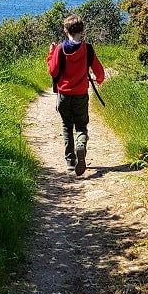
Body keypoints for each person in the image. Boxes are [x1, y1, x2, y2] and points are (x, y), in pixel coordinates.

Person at [47, 14, 105, 175]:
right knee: (81, 126)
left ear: (66, 30)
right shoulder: (87, 49)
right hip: (80, 94)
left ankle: (70, 161)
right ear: (82, 30)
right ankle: (81, 146)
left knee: (67, 126)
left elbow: (53, 71)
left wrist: (51, 54)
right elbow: (99, 71)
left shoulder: (60, 49)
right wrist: (99, 79)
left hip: (64, 94)